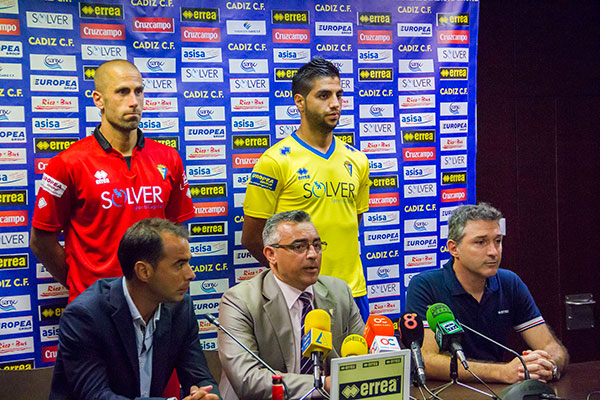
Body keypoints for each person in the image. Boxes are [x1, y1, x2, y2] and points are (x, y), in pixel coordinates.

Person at [30, 59, 194, 302]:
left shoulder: (168, 158)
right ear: (98, 99)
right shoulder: (67, 163)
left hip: (158, 299)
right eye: (122, 92)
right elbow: (41, 241)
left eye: (139, 91)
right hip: (97, 304)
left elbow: (177, 229)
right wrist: (81, 286)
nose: (134, 102)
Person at [242, 58, 371, 320]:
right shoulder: (276, 161)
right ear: (299, 102)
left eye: (338, 95)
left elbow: (351, 225)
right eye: (324, 95)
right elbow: (253, 237)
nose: (335, 103)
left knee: (356, 361)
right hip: (301, 294)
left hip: (352, 292)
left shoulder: (357, 160)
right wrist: (291, 279)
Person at [50, 218, 220, 400]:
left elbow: (200, 378)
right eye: (179, 265)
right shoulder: (85, 315)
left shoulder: (180, 308)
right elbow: (96, 396)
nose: (191, 274)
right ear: (143, 271)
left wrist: (206, 396)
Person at [406, 203, 568, 384]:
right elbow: (427, 361)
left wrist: (548, 366)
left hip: (497, 391)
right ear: (454, 249)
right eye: (480, 242)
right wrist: (503, 372)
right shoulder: (426, 285)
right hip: (447, 392)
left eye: (497, 241)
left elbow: (552, 346)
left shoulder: (510, 282)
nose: (493, 252)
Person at [218, 211, 365, 399]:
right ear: (271, 254)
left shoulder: (339, 292)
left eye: (317, 246)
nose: (313, 255)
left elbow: (363, 356)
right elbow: (248, 379)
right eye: (299, 247)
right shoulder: (239, 301)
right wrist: (324, 384)